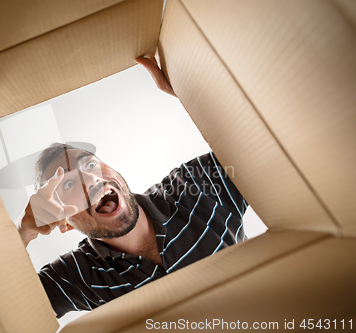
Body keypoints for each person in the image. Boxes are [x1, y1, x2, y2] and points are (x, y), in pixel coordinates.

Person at [18, 57, 247, 318]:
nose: (90, 180)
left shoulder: (192, 186)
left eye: (90, 165)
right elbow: (5, 316)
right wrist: (22, 234)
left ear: (114, 171)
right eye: (68, 183)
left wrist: (193, 96)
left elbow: (263, 143)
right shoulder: (78, 274)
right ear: (64, 220)